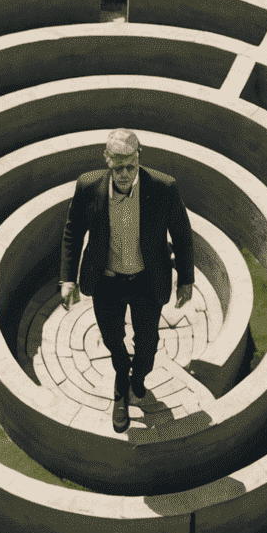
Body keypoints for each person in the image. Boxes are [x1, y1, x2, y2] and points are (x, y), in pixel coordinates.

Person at [59, 129, 194, 433]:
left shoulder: (163, 187)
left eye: (130, 165)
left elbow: (182, 235)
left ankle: (138, 377)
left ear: (138, 158)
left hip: (147, 281)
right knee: (111, 339)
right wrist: (67, 278)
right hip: (106, 282)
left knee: (147, 346)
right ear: (106, 160)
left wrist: (186, 279)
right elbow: (73, 230)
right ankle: (121, 383)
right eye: (117, 166)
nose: (123, 173)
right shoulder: (88, 185)